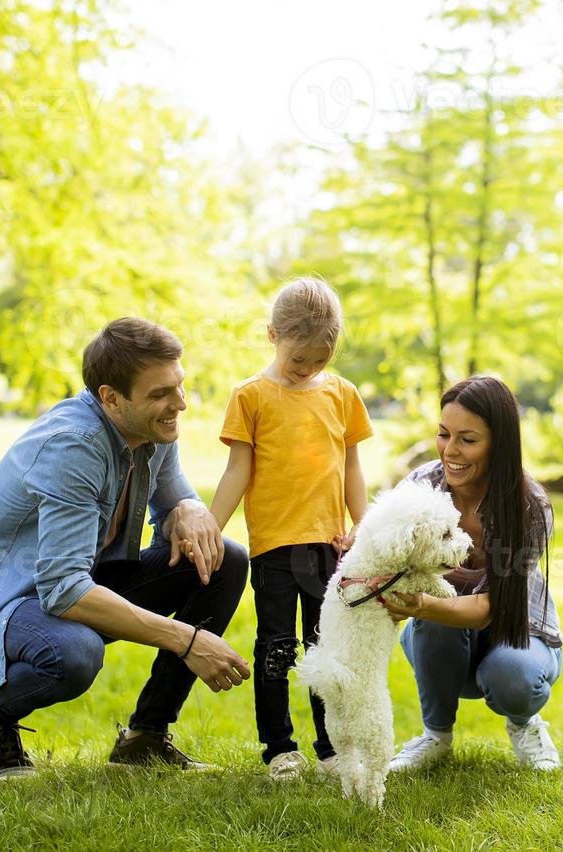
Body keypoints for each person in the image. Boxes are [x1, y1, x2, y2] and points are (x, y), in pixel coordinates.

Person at [0, 318, 251, 781]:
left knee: (225, 558)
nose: (180, 405)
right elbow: (63, 590)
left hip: (86, 576)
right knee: (75, 654)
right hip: (15, 601)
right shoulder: (75, 446)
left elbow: (173, 497)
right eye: (160, 395)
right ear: (110, 397)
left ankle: (145, 738)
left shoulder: (150, 426)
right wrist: (187, 640)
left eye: (179, 387)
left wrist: (186, 507)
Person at [208, 278, 373, 782]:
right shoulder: (251, 397)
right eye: (297, 360)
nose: (307, 371)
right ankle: (280, 747)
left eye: (318, 362)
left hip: (330, 544)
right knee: (276, 647)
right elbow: (238, 471)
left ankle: (331, 747)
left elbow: (351, 469)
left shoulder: (342, 395)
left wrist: (362, 528)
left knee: (325, 648)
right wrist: (211, 528)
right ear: (272, 335)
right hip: (274, 548)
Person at [379, 375, 563, 772]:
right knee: (435, 615)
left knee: (513, 676)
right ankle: (436, 736)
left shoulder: (529, 506)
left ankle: (524, 723)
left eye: (468, 439)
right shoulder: (422, 486)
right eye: (444, 434)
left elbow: (486, 609)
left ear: (499, 443)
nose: (450, 450)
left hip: (516, 632)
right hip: (441, 648)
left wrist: (420, 604)